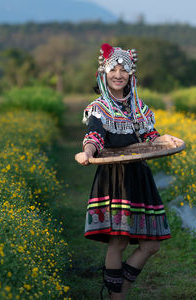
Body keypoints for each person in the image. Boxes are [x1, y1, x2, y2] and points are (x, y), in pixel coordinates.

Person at [75, 43, 179, 300]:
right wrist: (87, 153)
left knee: (151, 245)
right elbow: (94, 136)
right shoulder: (99, 107)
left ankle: (119, 291)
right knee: (118, 242)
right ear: (104, 73)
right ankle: (117, 297)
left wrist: (167, 139)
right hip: (115, 179)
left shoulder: (138, 107)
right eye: (113, 69)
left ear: (131, 75)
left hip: (139, 177)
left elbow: (150, 137)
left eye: (124, 69)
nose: (118, 74)